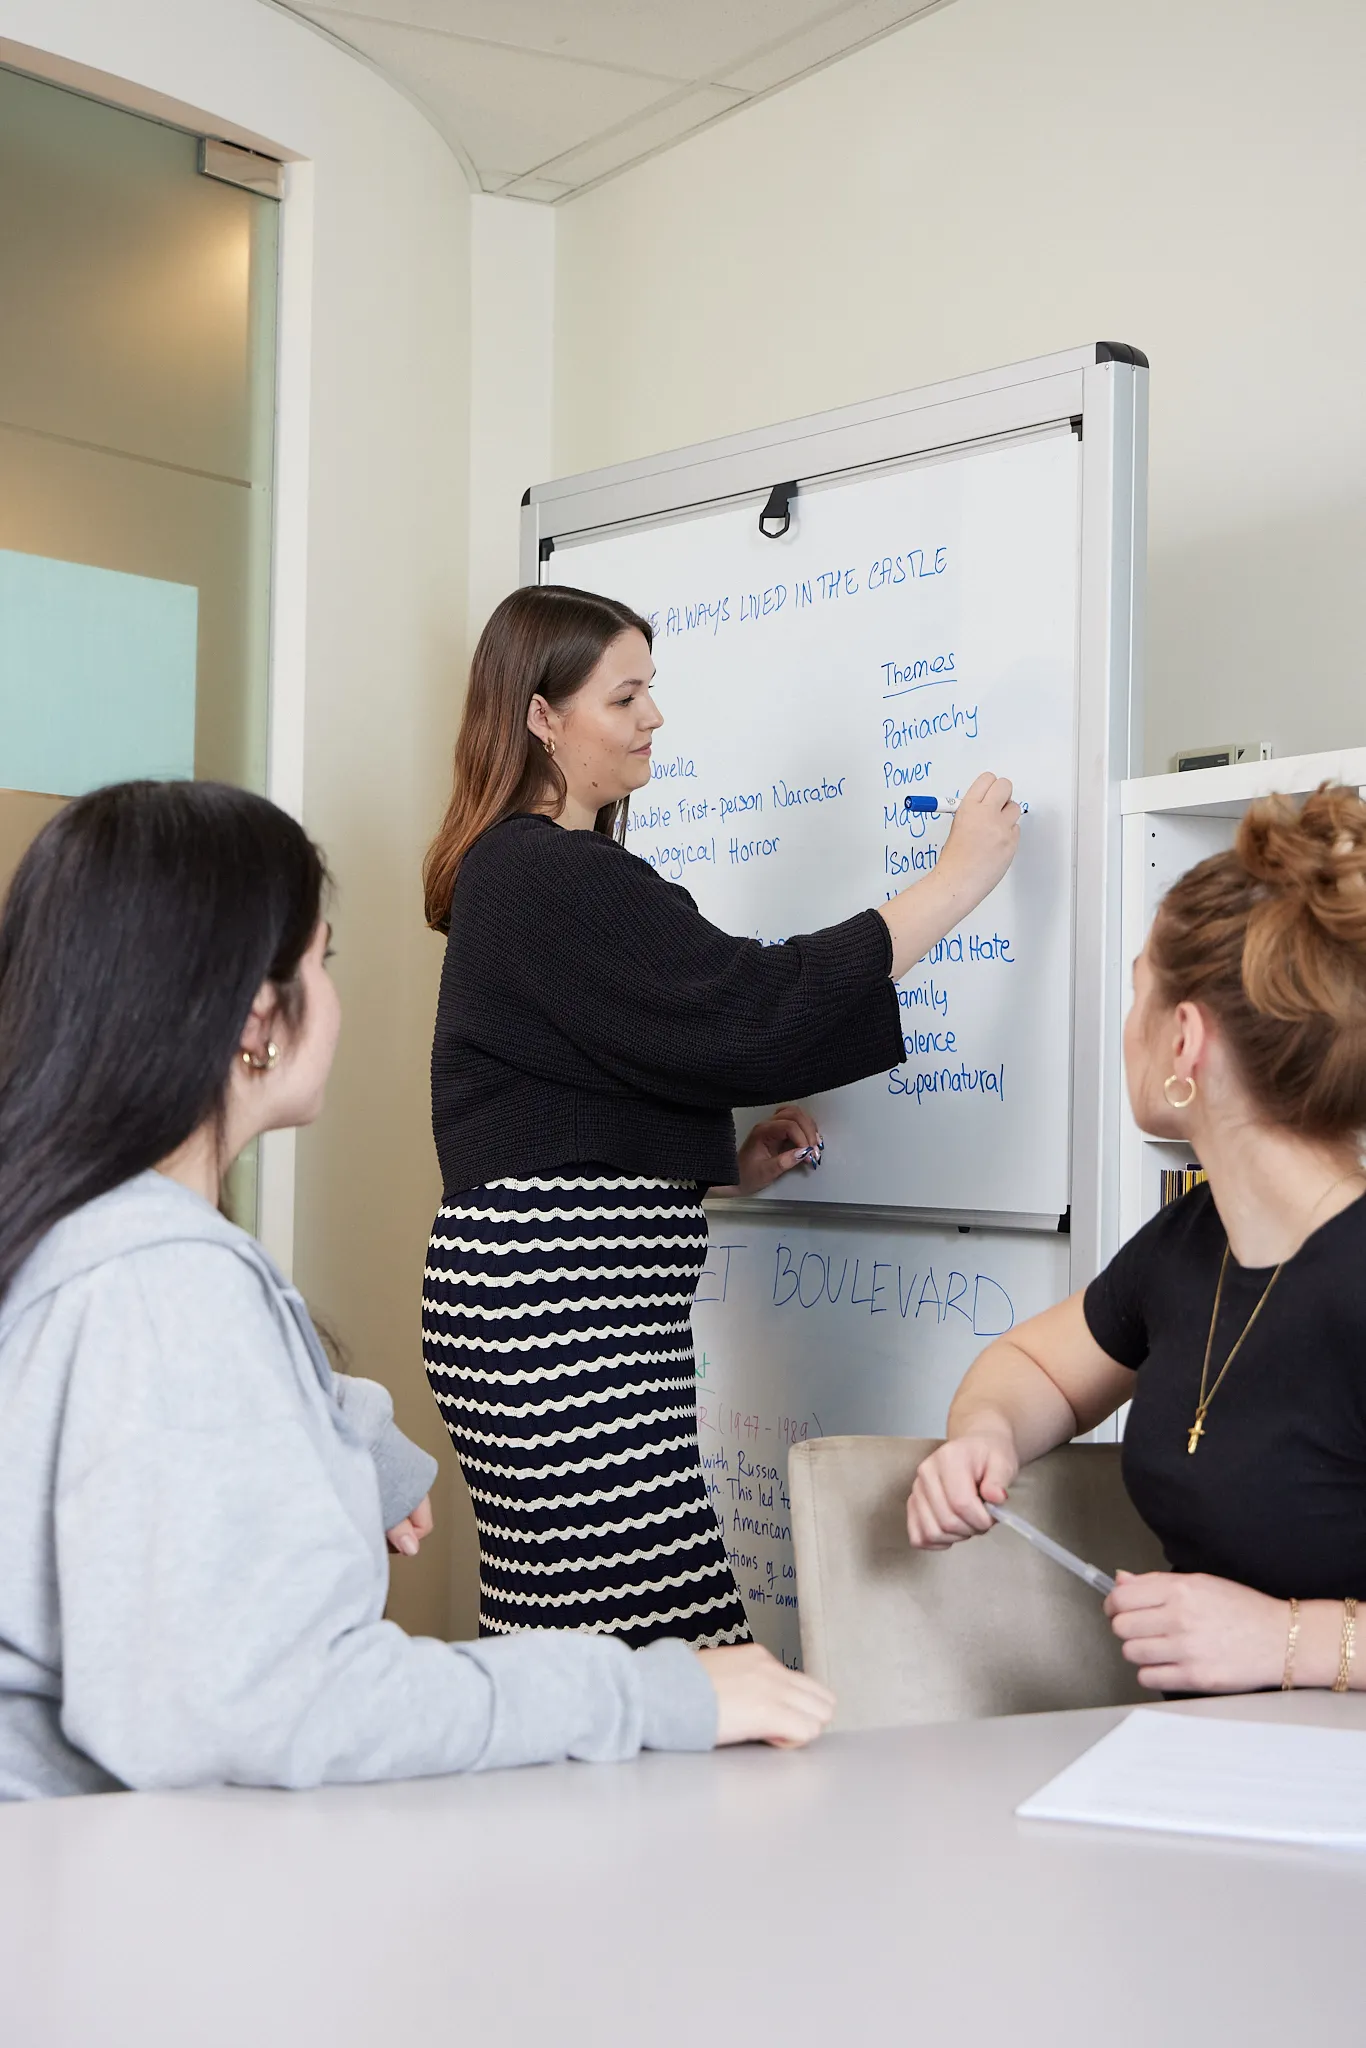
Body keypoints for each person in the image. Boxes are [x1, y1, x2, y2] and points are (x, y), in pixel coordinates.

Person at [0, 780, 835, 1801]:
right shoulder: (164, 1288)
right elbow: (271, 1710)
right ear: (259, 1017)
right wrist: (654, 1692)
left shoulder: (76, 1235)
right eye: (324, 961)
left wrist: (342, 1428)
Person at [422, 584, 1021, 1647]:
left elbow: (584, 1080)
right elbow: (749, 1011)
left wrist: (719, 1164)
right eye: (625, 695)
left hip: (551, 1306)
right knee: (672, 1649)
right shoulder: (542, 869)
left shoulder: (526, 873)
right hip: (560, 1322)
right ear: (540, 715)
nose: (653, 716)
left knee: (584, 1644)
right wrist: (953, 883)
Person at [907, 784, 1366, 1697]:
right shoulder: (1193, 1238)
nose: (1128, 1032)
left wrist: (1291, 1641)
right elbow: (1033, 1369)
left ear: (1185, 1040)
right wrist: (982, 1437)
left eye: (1137, 997)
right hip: (1214, 1773)